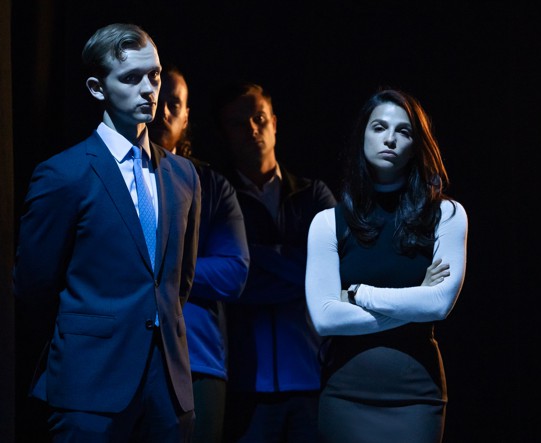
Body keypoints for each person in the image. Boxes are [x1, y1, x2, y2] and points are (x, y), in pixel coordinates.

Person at [12, 23, 201, 442]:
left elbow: (178, 282)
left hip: (168, 388)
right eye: (131, 78)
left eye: (153, 75)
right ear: (98, 89)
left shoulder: (184, 175)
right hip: (90, 386)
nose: (148, 89)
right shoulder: (64, 174)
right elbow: (35, 285)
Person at [305, 88, 468, 443]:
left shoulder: (446, 215)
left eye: (404, 131)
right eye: (379, 127)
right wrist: (416, 298)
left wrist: (359, 295)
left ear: (417, 144)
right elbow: (324, 318)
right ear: (362, 135)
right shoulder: (326, 222)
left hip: (416, 395)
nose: (390, 139)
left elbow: (439, 305)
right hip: (346, 392)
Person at [212, 81, 337, 442]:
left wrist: (256, 255)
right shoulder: (217, 197)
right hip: (244, 385)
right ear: (224, 133)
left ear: (275, 122)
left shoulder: (313, 194)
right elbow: (234, 283)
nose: (252, 129)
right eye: (238, 123)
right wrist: (297, 267)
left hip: (312, 380)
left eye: (258, 117)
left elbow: (331, 273)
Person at [149, 65, 250, 443]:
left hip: (198, 360)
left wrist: (155, 271)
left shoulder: (212, 186)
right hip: (124, 357)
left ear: (186, 116)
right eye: (159, 101)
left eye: (175, 104)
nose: (163, 112)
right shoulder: (110, 175)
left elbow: (234, 272)